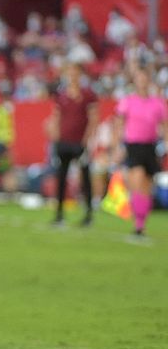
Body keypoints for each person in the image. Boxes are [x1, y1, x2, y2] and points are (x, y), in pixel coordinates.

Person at [112, 67, 168, 238]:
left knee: (146, 187)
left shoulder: (158, 103)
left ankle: (141, 224)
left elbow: (164, 126)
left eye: (144, 78)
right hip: (133, 146)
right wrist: (116, 146)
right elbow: (119, 124)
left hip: (150, 147)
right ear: (135, 81)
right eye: (139, 78)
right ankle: (137, 223)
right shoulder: (128, 101)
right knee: (136, 181)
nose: (142, 81)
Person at [48, 63, 98, 226]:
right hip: (63, 142)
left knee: (85, 177)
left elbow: (93, 118)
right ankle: (59, 213)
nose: (72, 76)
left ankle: (89, 213)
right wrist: (55, 136)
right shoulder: (62, 95)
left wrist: (86, 140)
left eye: (75, 72)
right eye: (70, 72)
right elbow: (56, 117)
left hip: (79, 142)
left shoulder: (88, 94)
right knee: (61, 177)